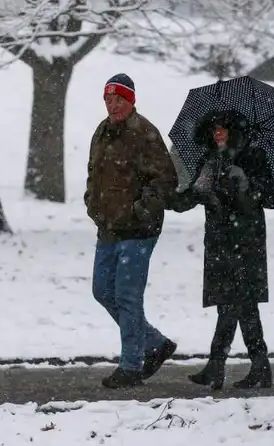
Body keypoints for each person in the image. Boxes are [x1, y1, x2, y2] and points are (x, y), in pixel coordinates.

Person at [167, 109, 274, 390]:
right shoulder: (210, 160)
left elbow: (272, 198)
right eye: (214, 129)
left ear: (235, 131)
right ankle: (250, 367)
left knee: (237, 305)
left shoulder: (253, 157)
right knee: (234, 306)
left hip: (246, 242)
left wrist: (247, 182)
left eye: (223, 128)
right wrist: (171, 199)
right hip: (219, 242)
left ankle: (222, 367)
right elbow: (194, 195)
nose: (217, 133)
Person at [84, 73, 179, 388]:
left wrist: (140, 210)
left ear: (131, 101)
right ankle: (155, 343)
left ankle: (131, 365)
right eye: (108, 99)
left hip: (138, 230)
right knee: (103, 290)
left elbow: (165, 179)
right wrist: (92, 204)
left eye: (119, 99)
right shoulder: (102, 131)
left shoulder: (145, 133)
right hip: (108, 227)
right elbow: (93, 172)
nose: (113, 105)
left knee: (126, 295)